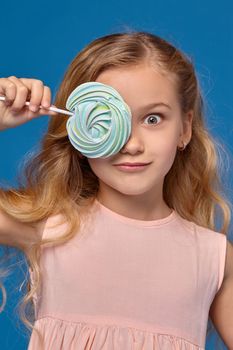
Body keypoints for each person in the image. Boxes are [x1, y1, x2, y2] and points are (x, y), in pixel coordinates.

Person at [0, 31, 232, 350]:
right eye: (103, 120)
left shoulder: (215, 259)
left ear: (185, 128)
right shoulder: (50, 229)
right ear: (77, 132)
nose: (131, 144)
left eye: (153, 118)